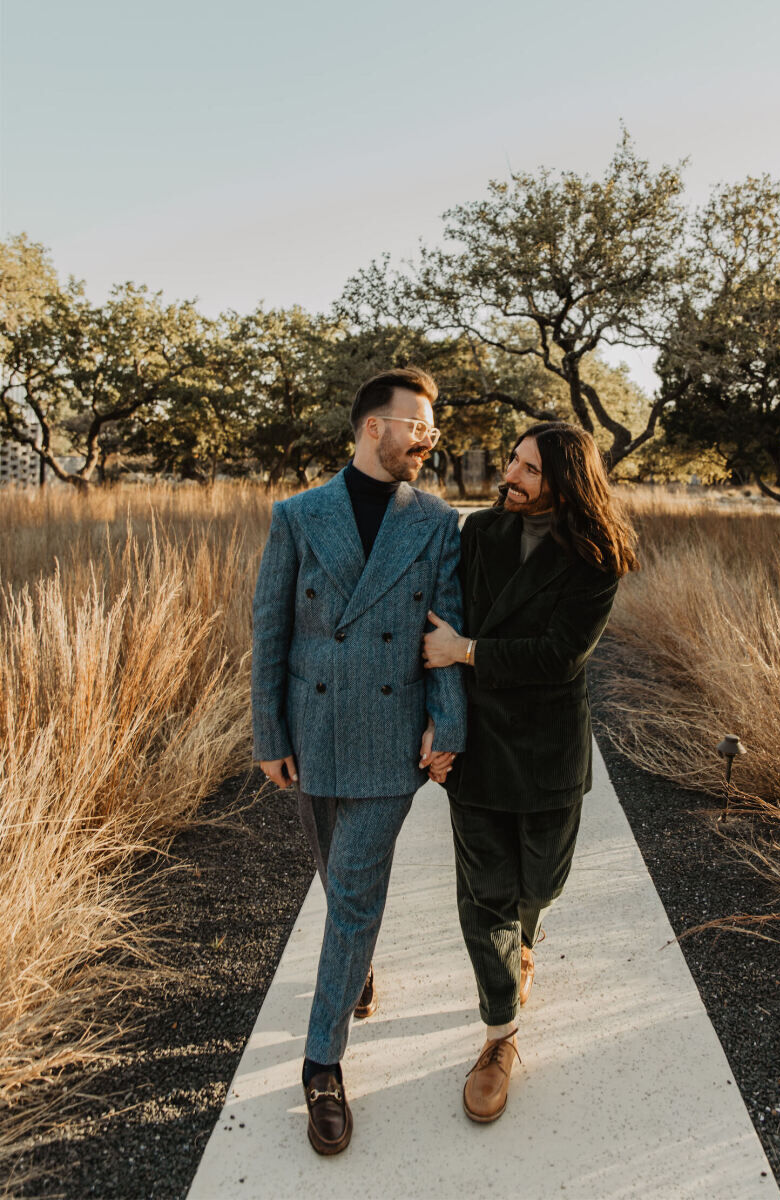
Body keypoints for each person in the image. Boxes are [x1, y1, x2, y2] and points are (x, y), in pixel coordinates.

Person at [252, 367, 465, 1155]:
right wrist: (268, 734)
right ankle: (355, 971)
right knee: (332, 871)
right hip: (310, 734)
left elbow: (446, 632)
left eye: (431, 427)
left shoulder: (438, 521)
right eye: (418, 424)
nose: (428, 438)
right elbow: (270, 630)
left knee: (351, 894)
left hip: (386, 734)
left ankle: (321, 1066)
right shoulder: (299, 515)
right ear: (375, 427)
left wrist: (448, 727)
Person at [422, 421, 638, 1124]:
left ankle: (525, 942)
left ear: (566, 483)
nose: (508, 476)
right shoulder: (477, 536)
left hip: (548, 749)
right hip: (479, 747)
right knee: (485, 896)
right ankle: (498, 1035)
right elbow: (439, 630)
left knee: (538, 883)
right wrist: (439, 723)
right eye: (512, 461)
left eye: (527, 470)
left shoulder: (600, 557)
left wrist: (467, 652)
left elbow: (558, 657)